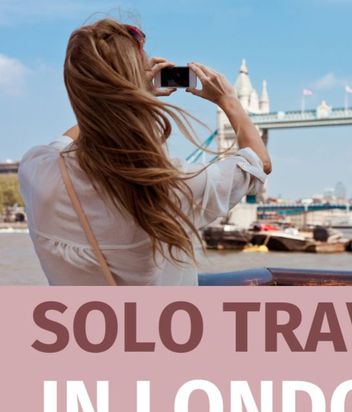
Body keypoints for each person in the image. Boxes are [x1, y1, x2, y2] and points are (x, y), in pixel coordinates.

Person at [19, 18, 271, 285]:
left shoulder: (37, 170)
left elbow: (70, 136)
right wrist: (229, 101)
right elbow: (259, 162)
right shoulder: (174, 185)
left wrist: (122, 96)